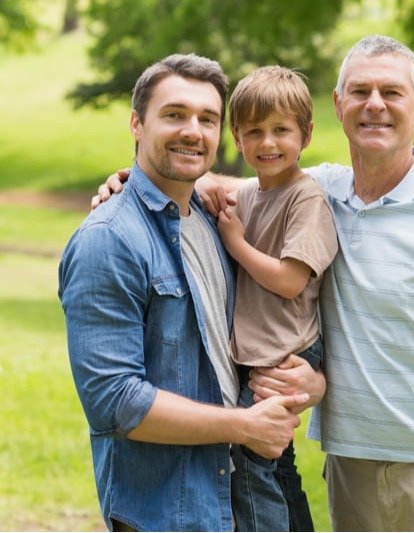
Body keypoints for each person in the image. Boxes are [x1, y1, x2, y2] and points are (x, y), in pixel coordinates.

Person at [93, 34, 414, 531]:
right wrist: (129, 179)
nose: (375, 105)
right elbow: (219, 184)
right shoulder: (322, 190)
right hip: (350, 465)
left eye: (392, 92)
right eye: (360, 91)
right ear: (338, 106)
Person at [58, 53, 313, 531]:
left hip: (253, 490)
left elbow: (306, 192)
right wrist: (244, 425)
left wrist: (311, 381)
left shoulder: (221, 220)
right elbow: (116, 402)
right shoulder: (109, 239)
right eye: (174, 115)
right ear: (137, 122)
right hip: (171, 510)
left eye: (208, 119)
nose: (193, 131)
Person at [222, 66, 338, 532]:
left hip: (287, 351)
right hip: (261, 348)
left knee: (247, 454)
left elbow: (291, 280)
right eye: (254, 131)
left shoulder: (306, 199)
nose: (267, 143)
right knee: (277, 461)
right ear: (237, 137)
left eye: (280, 130)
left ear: (306, 135)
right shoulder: (248, 193)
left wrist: (237, 244)